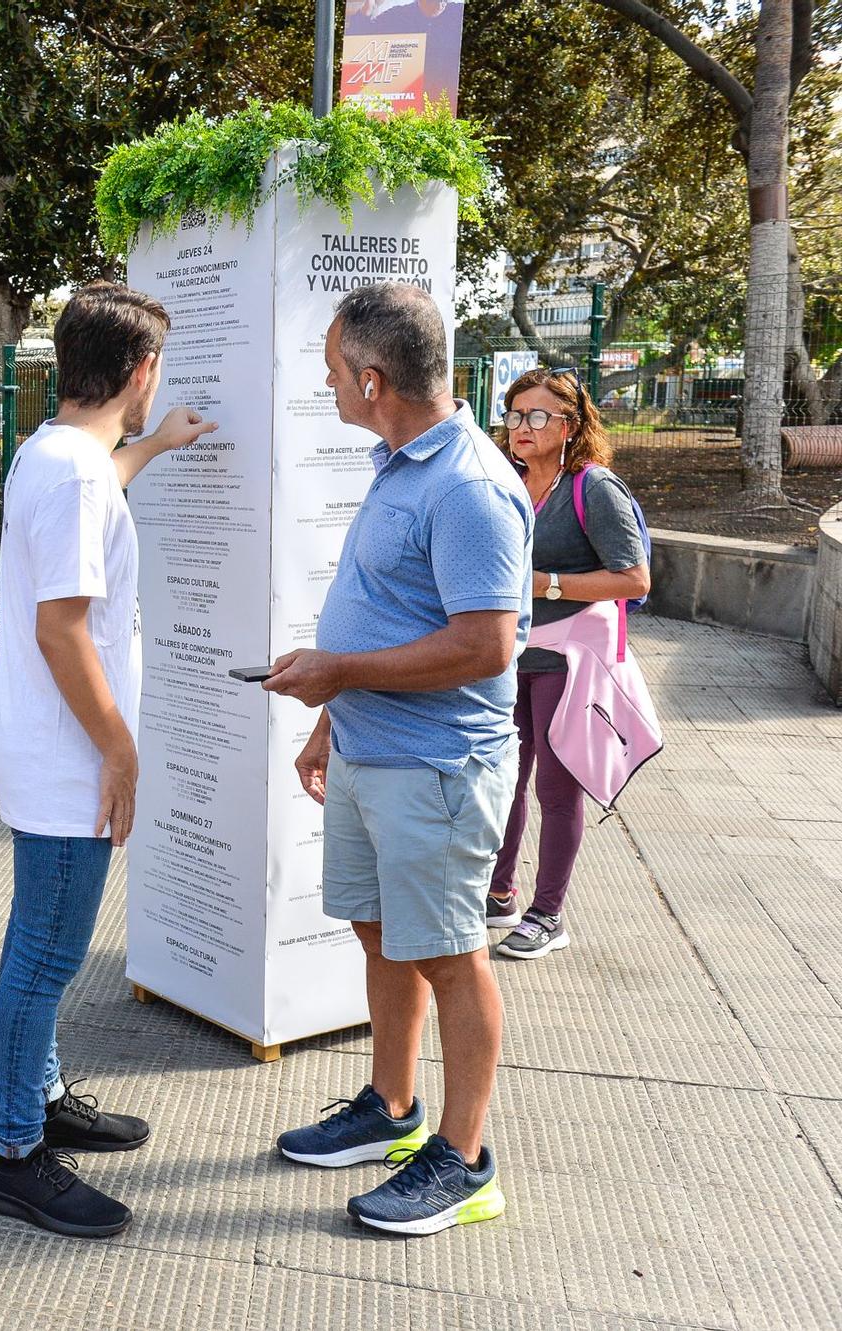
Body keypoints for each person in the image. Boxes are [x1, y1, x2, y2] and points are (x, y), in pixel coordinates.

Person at [264, 282, 531, 1236]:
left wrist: (338, 669)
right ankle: (393, 1107)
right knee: (381, 934)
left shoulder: (468, 486)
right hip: (374, 754)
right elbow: (394, 607)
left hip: (436, 770)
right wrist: (333, 713)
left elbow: (486, 645)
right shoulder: (399, 461)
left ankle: (463, 1161)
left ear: (372, 379)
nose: (329, 383)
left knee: (452, 957)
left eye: (334, 367)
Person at [0, 283, 215, 1239]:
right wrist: (122, 753)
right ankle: (15, 1152)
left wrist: (152, 448)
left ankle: (46, 1092)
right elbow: (63, 630)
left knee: (39, 945)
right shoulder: (72, 473)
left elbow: (100, 484)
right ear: (141, 369)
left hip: (46, 747)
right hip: (70, 758)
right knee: (46, 957)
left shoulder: (57, 450)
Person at [487, 366, 649, 959]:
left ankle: (548, 913)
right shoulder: (504, 479)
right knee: (504, 776)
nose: (520, 427)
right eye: (513, 414)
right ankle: (499, 891)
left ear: (570, 424)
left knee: (557, 786)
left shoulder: (593, 486)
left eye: (536, 415)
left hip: (568, 656)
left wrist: (544, 584)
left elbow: (634, 577)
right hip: (507, 653)